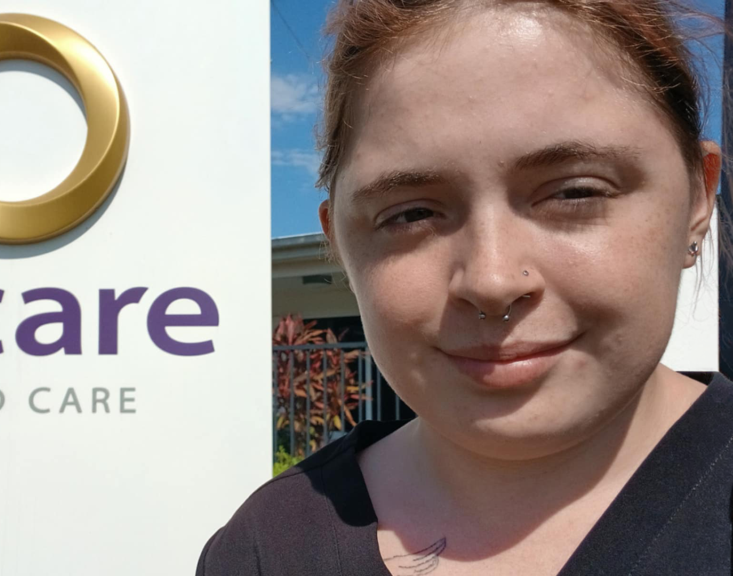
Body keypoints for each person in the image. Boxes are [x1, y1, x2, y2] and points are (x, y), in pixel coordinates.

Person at [197, 0, 733, 574]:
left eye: (575, 191)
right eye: (410, 214)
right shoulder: (267, 550)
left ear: (698, 199)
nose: (492, 279)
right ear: (342, 245)